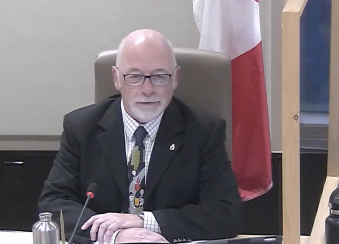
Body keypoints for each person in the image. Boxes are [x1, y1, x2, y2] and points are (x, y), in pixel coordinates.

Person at [38, 29, 243, 244]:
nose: (147, 90)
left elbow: (225, 214)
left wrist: (144, 222)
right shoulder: (81, 127)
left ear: (175, 79)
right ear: (117, 78)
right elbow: (53, 204)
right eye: (135, 77)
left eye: (159, 77)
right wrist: (116, 235)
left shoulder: (203, 131)